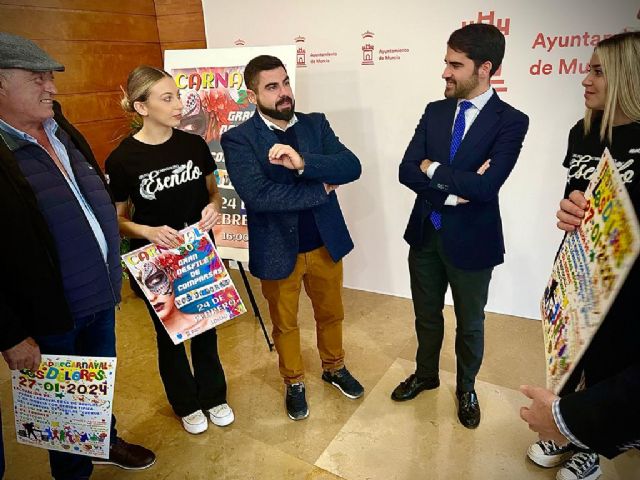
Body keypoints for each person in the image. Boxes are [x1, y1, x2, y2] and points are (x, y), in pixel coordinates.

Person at [0, 33, 155, 479]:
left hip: (98, 298)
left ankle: (103, 440)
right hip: (49, 317)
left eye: (50, 77)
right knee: (62, 419)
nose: (51, 88)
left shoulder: (58, 124)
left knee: (94, 395)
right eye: (37, 79)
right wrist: (9, 334)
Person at [393, 23, 529, 429]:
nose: (445, 73)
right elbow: (405, 170)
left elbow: (487, 187)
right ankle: (426, 374)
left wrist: (432, 168)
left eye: (456, 65)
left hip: (473, 242)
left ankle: (466, 386)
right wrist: (453, 190)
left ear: (484, 68)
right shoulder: (435, 111)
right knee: (426, 315)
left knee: (470, 323)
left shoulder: (511, 121)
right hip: (425, 233)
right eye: (446, 62)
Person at [521, 31, 640, 480]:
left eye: (597, 70)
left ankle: (593, 444)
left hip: (627, 284)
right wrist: (569, 210)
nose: (584, 80)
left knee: (614, 359)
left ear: (628, 76)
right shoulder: (584, 131)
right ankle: (564, 426)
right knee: (569, 356)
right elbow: (574, 197)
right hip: (579, 269)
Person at [220, 55, 364, 421]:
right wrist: (320, 190)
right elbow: (260, 196)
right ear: (253, 96)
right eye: (272, 87)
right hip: (277, 250)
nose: (284, 93)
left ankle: (334, 367)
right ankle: (294, 381)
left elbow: (351, 166)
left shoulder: (316, 125)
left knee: (331, 313)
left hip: (325, 243)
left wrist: (302, 163)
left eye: (285, 83)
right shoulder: (238, 139)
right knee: (285, 323)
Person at [105, 66, 233, 435]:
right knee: (170, 333)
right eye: (168, 98)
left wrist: (214, 208)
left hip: (196, 252)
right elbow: (117, 219)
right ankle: (185, 403)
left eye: (177, 95)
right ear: (141, 107)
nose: (179, 104)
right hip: (154, 260)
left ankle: (214, 395)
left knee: (206, 327)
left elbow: (212, 193)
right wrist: (146, 230)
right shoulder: (123, 159)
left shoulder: (193, 145)